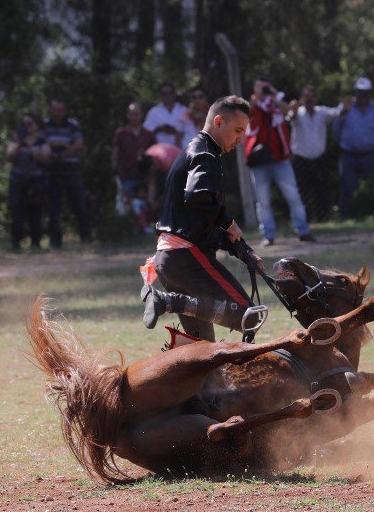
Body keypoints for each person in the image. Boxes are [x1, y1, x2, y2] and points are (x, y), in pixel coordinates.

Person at [141, 95, 266, 341]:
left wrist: (243, 251)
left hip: (168, 260)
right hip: (186, 257)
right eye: (238, 130)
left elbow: (200, 218)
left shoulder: (195, 150)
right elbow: (199, 197)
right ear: (219, 121)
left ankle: (189, 375)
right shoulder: (206, 154)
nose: (240, 139)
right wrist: (230, 222)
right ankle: (169, 302)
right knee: (249, 316)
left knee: (202, 352)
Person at [244, 77, 315, 246]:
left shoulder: (277, 104)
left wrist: (274, 97)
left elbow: (286, 111)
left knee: (293, 196)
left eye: (266, 87)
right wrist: (259, 98)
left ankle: (303, 231)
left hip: (280, 159)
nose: (264, 91)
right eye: (261, 88)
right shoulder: (251, 105)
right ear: (255, 89)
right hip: (259, 161)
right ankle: (268, 235)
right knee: (263, 201)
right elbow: (246, 110)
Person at [287, 85, 344, 220]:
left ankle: (324, 218)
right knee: (300, 192)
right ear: (301, 99)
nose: (309, 99)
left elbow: (337, 112)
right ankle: (301, 219)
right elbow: (290, 117)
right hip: (301, 160)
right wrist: (293, 110)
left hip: (319, 159)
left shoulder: (322, 112)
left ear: (316, 98)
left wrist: (344, 105)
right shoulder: (298, 113)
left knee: (322, 190)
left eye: (311, 96)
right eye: (306, 97)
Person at [333, 76, 374, 219]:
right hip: (348, 156)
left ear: (370, 93)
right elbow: (336, 130)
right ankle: (345, 217)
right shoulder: (345, 108)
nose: (363, 95)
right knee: (347, 187)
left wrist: (369, 142)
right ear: (356, 92)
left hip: (370, 154)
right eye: (360, 92)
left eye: (366, 92)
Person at [42, 99, 90, 247]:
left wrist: (62, 153)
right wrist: (55, 148)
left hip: (71, 170)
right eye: (55, 110)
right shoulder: (44, 124)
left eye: (60, 110)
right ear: (51, 110)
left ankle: (85, 239)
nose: (58, 113)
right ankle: (55, 242)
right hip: (52, 171)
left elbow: (79, 144)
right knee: (53, 208)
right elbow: (41, 142)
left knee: (79, 205)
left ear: (65, 111)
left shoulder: (72, 125)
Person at [6, 113, 48, 251]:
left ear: (36, 126)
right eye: (24, 124)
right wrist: (19, 144)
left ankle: (35, 243)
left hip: (35, 181)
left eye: (30, 124)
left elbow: (43, 158)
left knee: (35, 213)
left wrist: (30, 146)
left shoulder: (42, 141)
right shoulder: (15, 142)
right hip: (17, 182)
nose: (27, 127)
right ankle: (15, 243)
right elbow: (9, 157)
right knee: (17, 213)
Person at [111, 102, 156, 215]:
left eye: (136, 114)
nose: (134, 117)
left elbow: (154, 155)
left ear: (141, 115)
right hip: (126, 176)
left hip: (144, 177)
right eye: (131, 114)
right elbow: (116, 152)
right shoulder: (121, 133)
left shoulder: (149, 134)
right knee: (127, 208)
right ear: (127, 115)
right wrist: (115, 170)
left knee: (144, 208)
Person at [143, 83, 195, 147]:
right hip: (160, 151)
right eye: (163, 93)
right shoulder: (153, 112)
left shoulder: (184, 110)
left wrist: (175, 130)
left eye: (170, 93)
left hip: (181, 150)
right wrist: (160, 128)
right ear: (160, 95)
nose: (167, 96)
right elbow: (146, 132)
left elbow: (191, 131)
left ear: (174, 94)